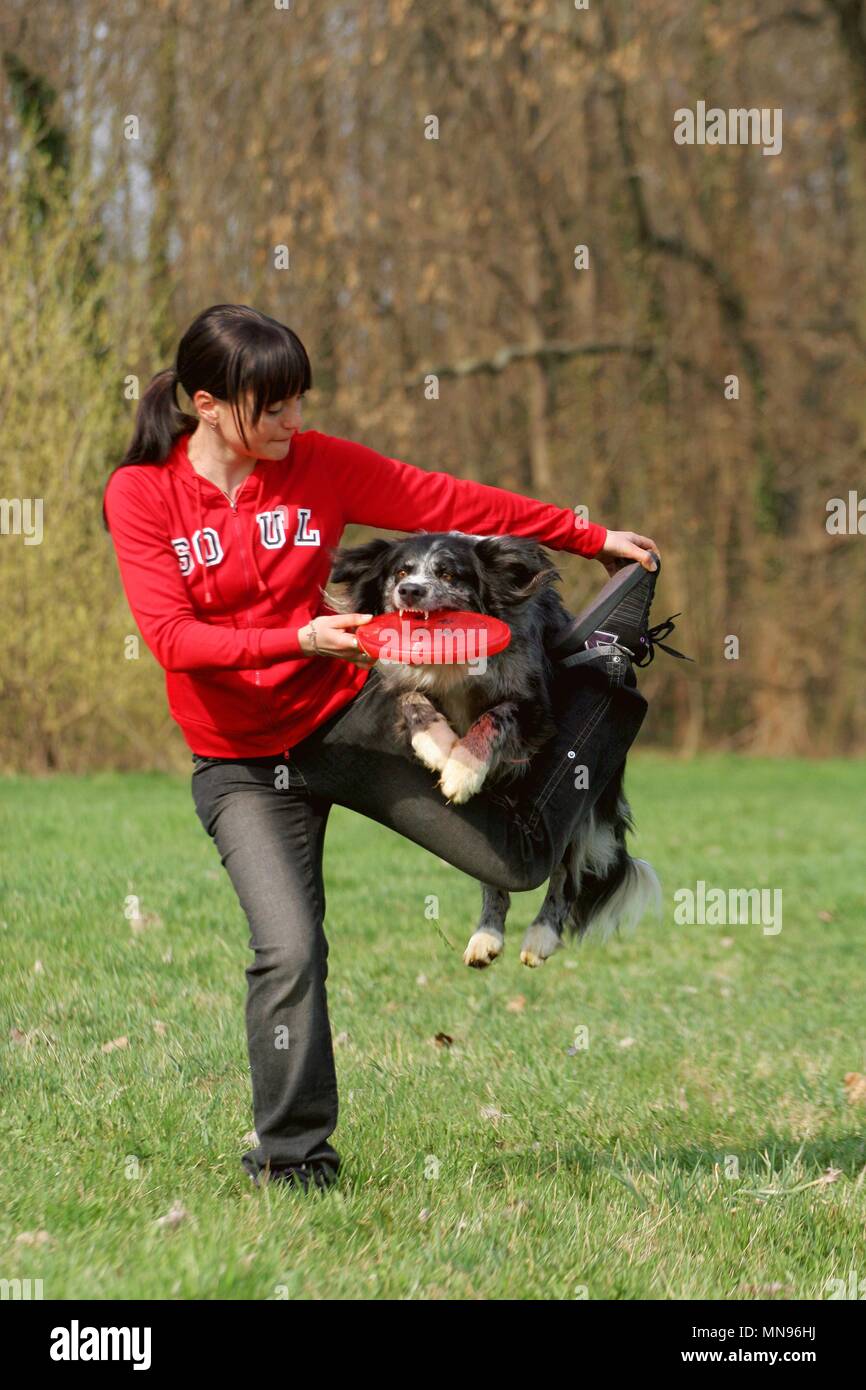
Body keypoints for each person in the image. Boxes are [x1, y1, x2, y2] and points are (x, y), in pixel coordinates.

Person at [102, 303, 660, 1194]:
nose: (295, 424)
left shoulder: (317, 466)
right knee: (287, 949)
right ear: (207, 405)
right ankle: (293, 1165)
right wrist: (300, 639)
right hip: (242, 766)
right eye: (273, 407)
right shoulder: (142, 495)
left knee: (516, 864)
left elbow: (451, 502)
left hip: (350, 719)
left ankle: (594, 701)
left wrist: (586, 536)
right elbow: (172, 639)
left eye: (299, 403)